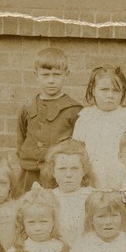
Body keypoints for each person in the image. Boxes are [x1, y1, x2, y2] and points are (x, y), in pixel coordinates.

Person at [15, 47, 82, 196]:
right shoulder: (28, 107)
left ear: (66, 74)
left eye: (56, 75)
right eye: (45, 75)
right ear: (36, 75)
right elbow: (21, 138)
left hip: (56, 176)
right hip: (28, 174)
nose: (51, 80)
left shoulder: (73, 109)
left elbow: (77, 148)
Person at [72, 65, 126, 189]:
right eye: (104, 89)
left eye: (116, 90)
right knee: (93, 199)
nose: (110, 95)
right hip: (92, 175)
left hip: (120, 174)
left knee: (124, 200)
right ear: (93, 90)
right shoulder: (85, 117)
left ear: (123, 92)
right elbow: (76, 150)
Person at [45, 139, 95, 248]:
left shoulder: (92, 196)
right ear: (53, 172)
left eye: (74, 169)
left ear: (83, 171)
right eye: (62, 169)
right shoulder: (47, 197)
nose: (68, 174)